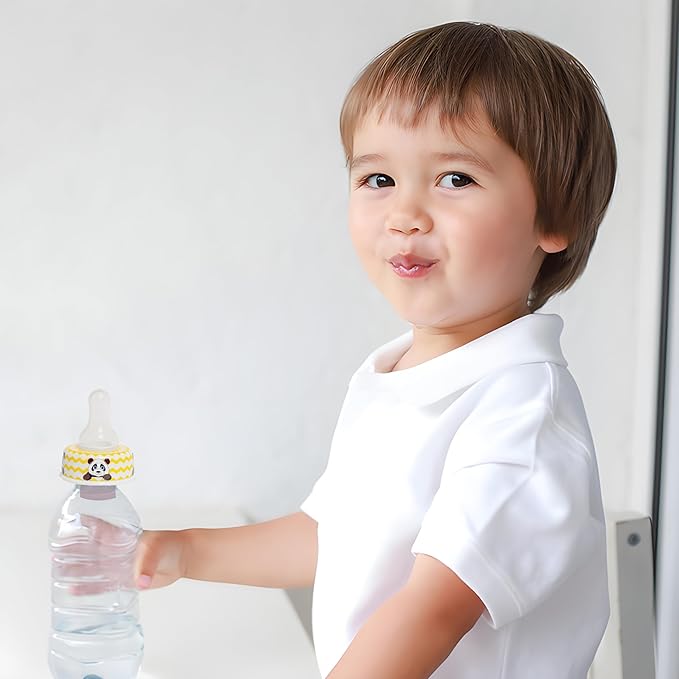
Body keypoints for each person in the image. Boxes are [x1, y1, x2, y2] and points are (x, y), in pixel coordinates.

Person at [134, 20, 617, 678]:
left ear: (554, 216)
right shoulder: (400, 376)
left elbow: (431, 610)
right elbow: (336, 535)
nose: (404, 214)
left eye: (454, 179)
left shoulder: (522, 416)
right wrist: (187, 551)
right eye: (379, 179)